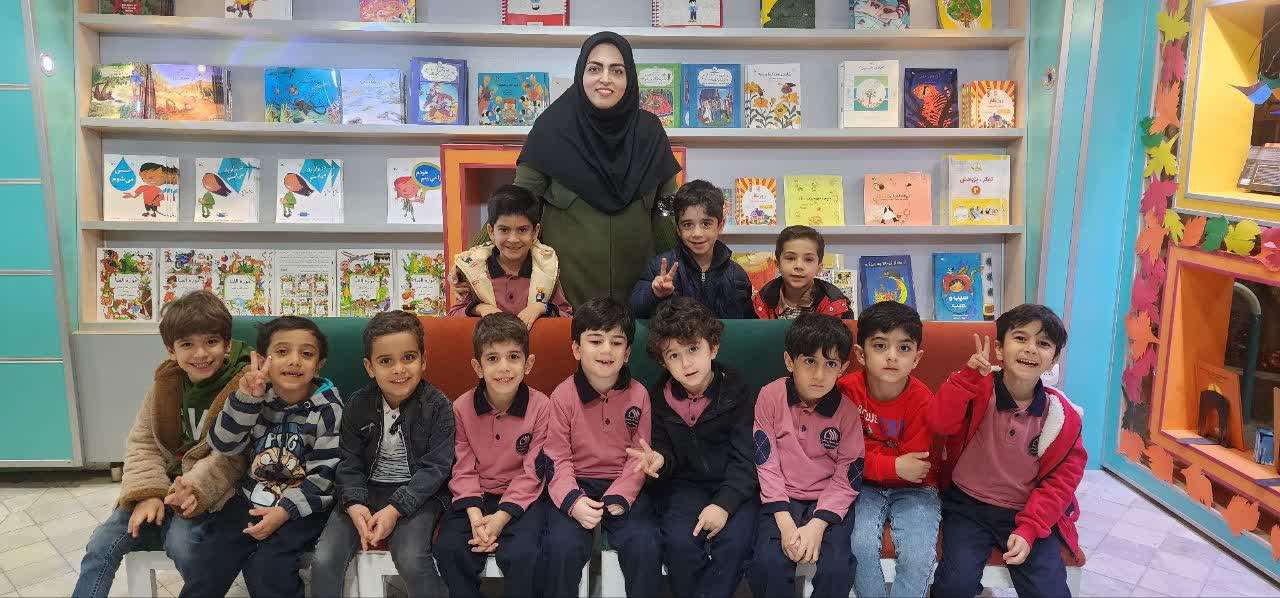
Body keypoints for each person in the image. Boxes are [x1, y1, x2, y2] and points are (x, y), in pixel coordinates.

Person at [73, 291, 251, 598]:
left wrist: (193, 488)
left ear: (226, 343)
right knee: (100, 544)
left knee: (184, 546)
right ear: (171, 350)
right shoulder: (166, 383)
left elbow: (233, 455)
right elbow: (143, 442)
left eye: (211, 342)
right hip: (160, 484)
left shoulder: (244, 385)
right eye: (187, 345)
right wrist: (148, 494)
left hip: (207, 491)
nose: (200, 353)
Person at [928, 304, 1086, 598]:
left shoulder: (1063, 418)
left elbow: (1061, 483)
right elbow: (939, 422)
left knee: (1049, 590)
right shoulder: (976, 388)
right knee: (954, 585)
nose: (1030, 349)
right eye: (1021, 338)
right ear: (1000, 348)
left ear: (1053, 360)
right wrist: (966, 378)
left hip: (1027, 511)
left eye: (1043, 343)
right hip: (967, 506)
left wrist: (1030, 528)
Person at [514, 31, 683, 306]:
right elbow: (515, 205)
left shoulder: (649, 133)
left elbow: (667, 211)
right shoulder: (551, 129)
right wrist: (473, 263)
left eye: (617, 71)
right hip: (566, 304)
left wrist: (688, 270)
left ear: (629, 79)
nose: (605, 79)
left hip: (642, 303)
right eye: (595, 69)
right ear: (581, 73)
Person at [192, 316, 343, 597]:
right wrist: (247, 399)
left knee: (267, 569)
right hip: (250, 499)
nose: (294, 361)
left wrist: (285, 511)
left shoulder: (329, 410)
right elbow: (222, 444)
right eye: (282, 351)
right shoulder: (253, 396)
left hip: (302, 509)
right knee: (210, 559)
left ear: (319, 364)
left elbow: (326, 475)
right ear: (263, 360)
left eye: (306, 354)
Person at [312, 311, 454, 597]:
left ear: (423, 360)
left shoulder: (438, 406)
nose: (398, 369)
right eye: (386, 361)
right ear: (369, 367)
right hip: (365, 490)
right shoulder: (358, 405)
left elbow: (437, 468)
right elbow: (348, 461)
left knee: (411, 558)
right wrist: (354, 503)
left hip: (419, 494)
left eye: (408, 358)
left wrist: (395, 509)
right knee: (324, 559)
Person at [635, 297, 758, 598]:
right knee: (680, 544)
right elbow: (665, 453)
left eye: (693, 349)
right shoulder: (658, 398)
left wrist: (724, 505)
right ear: (663, 362)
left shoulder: (737, 389)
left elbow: (746, 458)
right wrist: (659, 461)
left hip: (735, 485)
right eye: (674, 355)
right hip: (684, 488)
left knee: (734, 544)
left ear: (712, 348)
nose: (686, 363)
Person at [541, 298, 660, 597]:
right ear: (577, 349)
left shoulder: (640, 395)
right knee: (561, 547)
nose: (606, 350)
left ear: (627, 353)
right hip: (575, 482)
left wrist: (621, 495)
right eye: (595, 341)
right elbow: (556, 458)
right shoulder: (562, 396)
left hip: (623, 484)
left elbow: (640, 455)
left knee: (645, 543)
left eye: (616, 342)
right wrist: (573, 501)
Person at [434, 313, 554, 598]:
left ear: (528, 364)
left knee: (525, 553)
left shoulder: (541, 407)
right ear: (478, 367)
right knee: (450, 549)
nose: (504, 367)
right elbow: (462, 468)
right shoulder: (460, 408)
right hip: (474, 498)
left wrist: (500, 519)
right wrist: (477, 518)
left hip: (523, 499)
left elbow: (533, 472)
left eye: (513, 357)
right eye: (492, 358)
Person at [750, 312, 864, 598]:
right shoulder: (769, 396)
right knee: (767, 564)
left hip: (827, 502)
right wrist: (785, 521)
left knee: (837, 569)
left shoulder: (848, 412)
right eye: (810, 361)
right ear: (790, 362)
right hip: (781, 499)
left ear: (843, 368)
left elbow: (848, 475)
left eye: (830, 364)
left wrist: (817, 524)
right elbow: (766, 462)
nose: (819, 374)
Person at [836, 301, 940, 598]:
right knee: (858, 544)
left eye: (903, 348)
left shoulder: (922, 399)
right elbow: (842, 456)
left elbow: (915, 468)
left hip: (917, 489)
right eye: (880, 346)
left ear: (916, 358)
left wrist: (865, 456)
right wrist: (893, 465)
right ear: (861, 354)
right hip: (862, 486)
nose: (892, 356)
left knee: (918, 554)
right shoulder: (845, 391)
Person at [449, 184, 573, 327]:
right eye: (504, 230)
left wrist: (541, 307)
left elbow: (566, 316)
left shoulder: (546, 269)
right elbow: (454, 316)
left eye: (522, 230)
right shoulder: (474, 270)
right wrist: (480, 308)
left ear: (535, 232)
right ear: (491, 232)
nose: (513, 239)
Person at [630, 180, 755, 319]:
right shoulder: (659, 267)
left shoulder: (737, 275)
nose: (697, 233)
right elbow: (635, 308)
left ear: (720, 225)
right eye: (687, 225)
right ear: (678, 229)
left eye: (706, 224)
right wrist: (653, 293)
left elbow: (748, 324)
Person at [752, 225, 855, 320]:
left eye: (808, 259)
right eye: (790, 258)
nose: (799, 266)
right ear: (778, 264)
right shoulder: (760, 303)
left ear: (819, 268)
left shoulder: (836, 306)